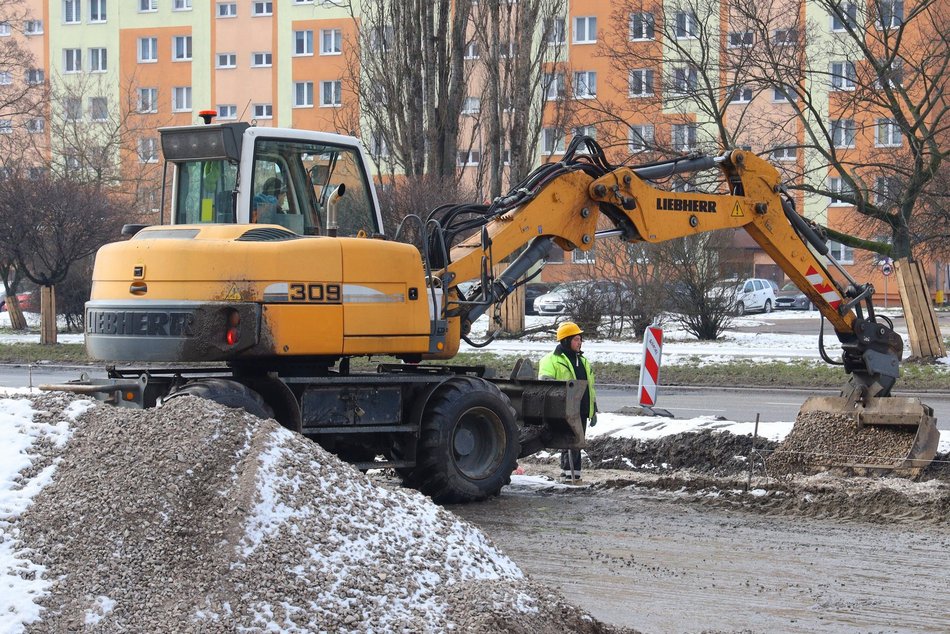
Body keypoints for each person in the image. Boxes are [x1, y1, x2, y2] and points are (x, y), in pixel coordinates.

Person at [538, 321, 597, 484]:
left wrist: (594, 408)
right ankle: (569, 475)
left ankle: (573, 475)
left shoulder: (583, 361)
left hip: (582, 409)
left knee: (577, 442)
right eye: (577, 339)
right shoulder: (551, 360)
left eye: (580, 339)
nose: (580, 342)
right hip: (564, 409)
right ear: (566, 340)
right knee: (568, 442)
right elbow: (545, 385)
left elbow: (590, 387)